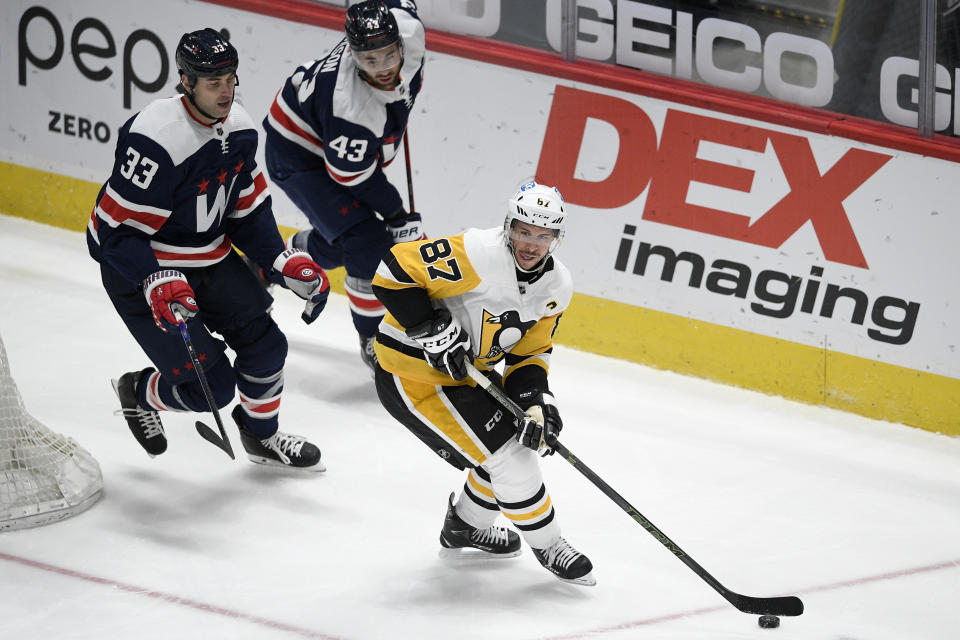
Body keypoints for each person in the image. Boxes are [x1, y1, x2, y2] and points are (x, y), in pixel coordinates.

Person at [86, 28, 330, 471]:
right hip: (144, 271)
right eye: (213, 82)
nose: (225, 91)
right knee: (210, 389)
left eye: (231, 79)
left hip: (208, 259)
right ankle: (138, 391)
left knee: (267, 346)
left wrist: (279, 259)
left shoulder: (239, 127)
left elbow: (246, 210)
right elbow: (112, 231)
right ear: (186, 82)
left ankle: (262, 437)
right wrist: (152, 279)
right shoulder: (155, 138)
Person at [370, 180, 595, 586]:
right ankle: (549, 544)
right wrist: (429, 326)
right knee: (511, 457)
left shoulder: (557, 287)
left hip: (468, 375)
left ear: (556, 238)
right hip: (414, 373)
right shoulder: (476, 253)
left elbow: (528, 353)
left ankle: (466, 525)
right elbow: (392, 271)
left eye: (543, 236)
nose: (531, 244)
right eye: (524, 230)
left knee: (517, 437)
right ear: (508, 226)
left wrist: (535, 402)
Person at [262, 0, 427, 374]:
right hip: (298, 153)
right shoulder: (350, 108)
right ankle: (372, 338)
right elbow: (354, 177)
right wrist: (398, 213)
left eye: (389, 55)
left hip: (325, 135)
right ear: (353, 56)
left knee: (345, 245)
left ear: (400, 43)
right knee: (369, 242)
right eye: (370, 61)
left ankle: (267, 265)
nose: (384, 68)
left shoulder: (409, 29)